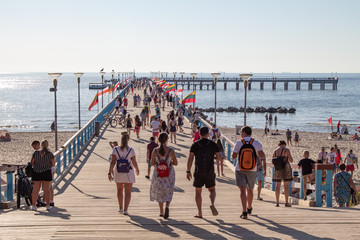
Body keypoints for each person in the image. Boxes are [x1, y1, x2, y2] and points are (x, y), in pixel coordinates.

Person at [187, 127, 221, 218]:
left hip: (198, 171)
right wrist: (213, 157)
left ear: (199, 133)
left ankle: (200, 212)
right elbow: (219, 158)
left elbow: (190, 159)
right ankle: (212, 203)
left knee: (198, 192)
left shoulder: (195, 145)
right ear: (208, 134)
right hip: (209, 171)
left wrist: (188, 171)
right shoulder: (213, 144)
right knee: (212, 189)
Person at [232, 126, 266, 219]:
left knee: (242, 190)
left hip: (240, 168)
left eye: (241, 133)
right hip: (252, 169)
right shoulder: (256, 142)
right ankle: (249, 207)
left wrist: (236, 153)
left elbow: (234, 156)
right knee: (250, 189)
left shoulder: (239, 142)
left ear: (243, 133)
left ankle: (244, 212)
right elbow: (262, 155)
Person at [108, 133, 139, 215]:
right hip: (129, 172)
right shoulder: (131, 150)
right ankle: (125, 209)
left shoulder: (115, 149)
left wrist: (109, 173)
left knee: (119, 190)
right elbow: (134, 162)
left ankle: (120, 208)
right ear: (128, 140)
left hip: (118, 171)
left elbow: (112, 162)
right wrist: (137, 169)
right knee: (128, 192)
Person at [150, 133, 178, 219]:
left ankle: (161, 211)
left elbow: (152, 163)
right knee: (169, 190)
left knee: (159, 191)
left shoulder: (155, 150)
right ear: (166, 140)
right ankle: (167, 207)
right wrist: (169, 162)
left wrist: (158, 162)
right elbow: (176, 163)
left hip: (158, 173)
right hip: (169, 173)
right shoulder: (171, 150)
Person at [31, 140, 55, 211]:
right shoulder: (50, 154)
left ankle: (34, 206)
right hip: (46, 172)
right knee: (46, 190)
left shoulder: (36, 153)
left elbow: (32, 163)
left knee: (35, 190)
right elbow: (53, 164)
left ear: (41, 145)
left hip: (36, 172)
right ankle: (47, 205)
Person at [272, 140, 293, 207]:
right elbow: (291, 160)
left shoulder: (275, 151)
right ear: (285, 144)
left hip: (278, 169)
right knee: (286, 186)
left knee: (277, 186)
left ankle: (277, 202)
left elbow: (272, 161)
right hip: (285, 168)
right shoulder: (286, 150)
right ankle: (286, 202)